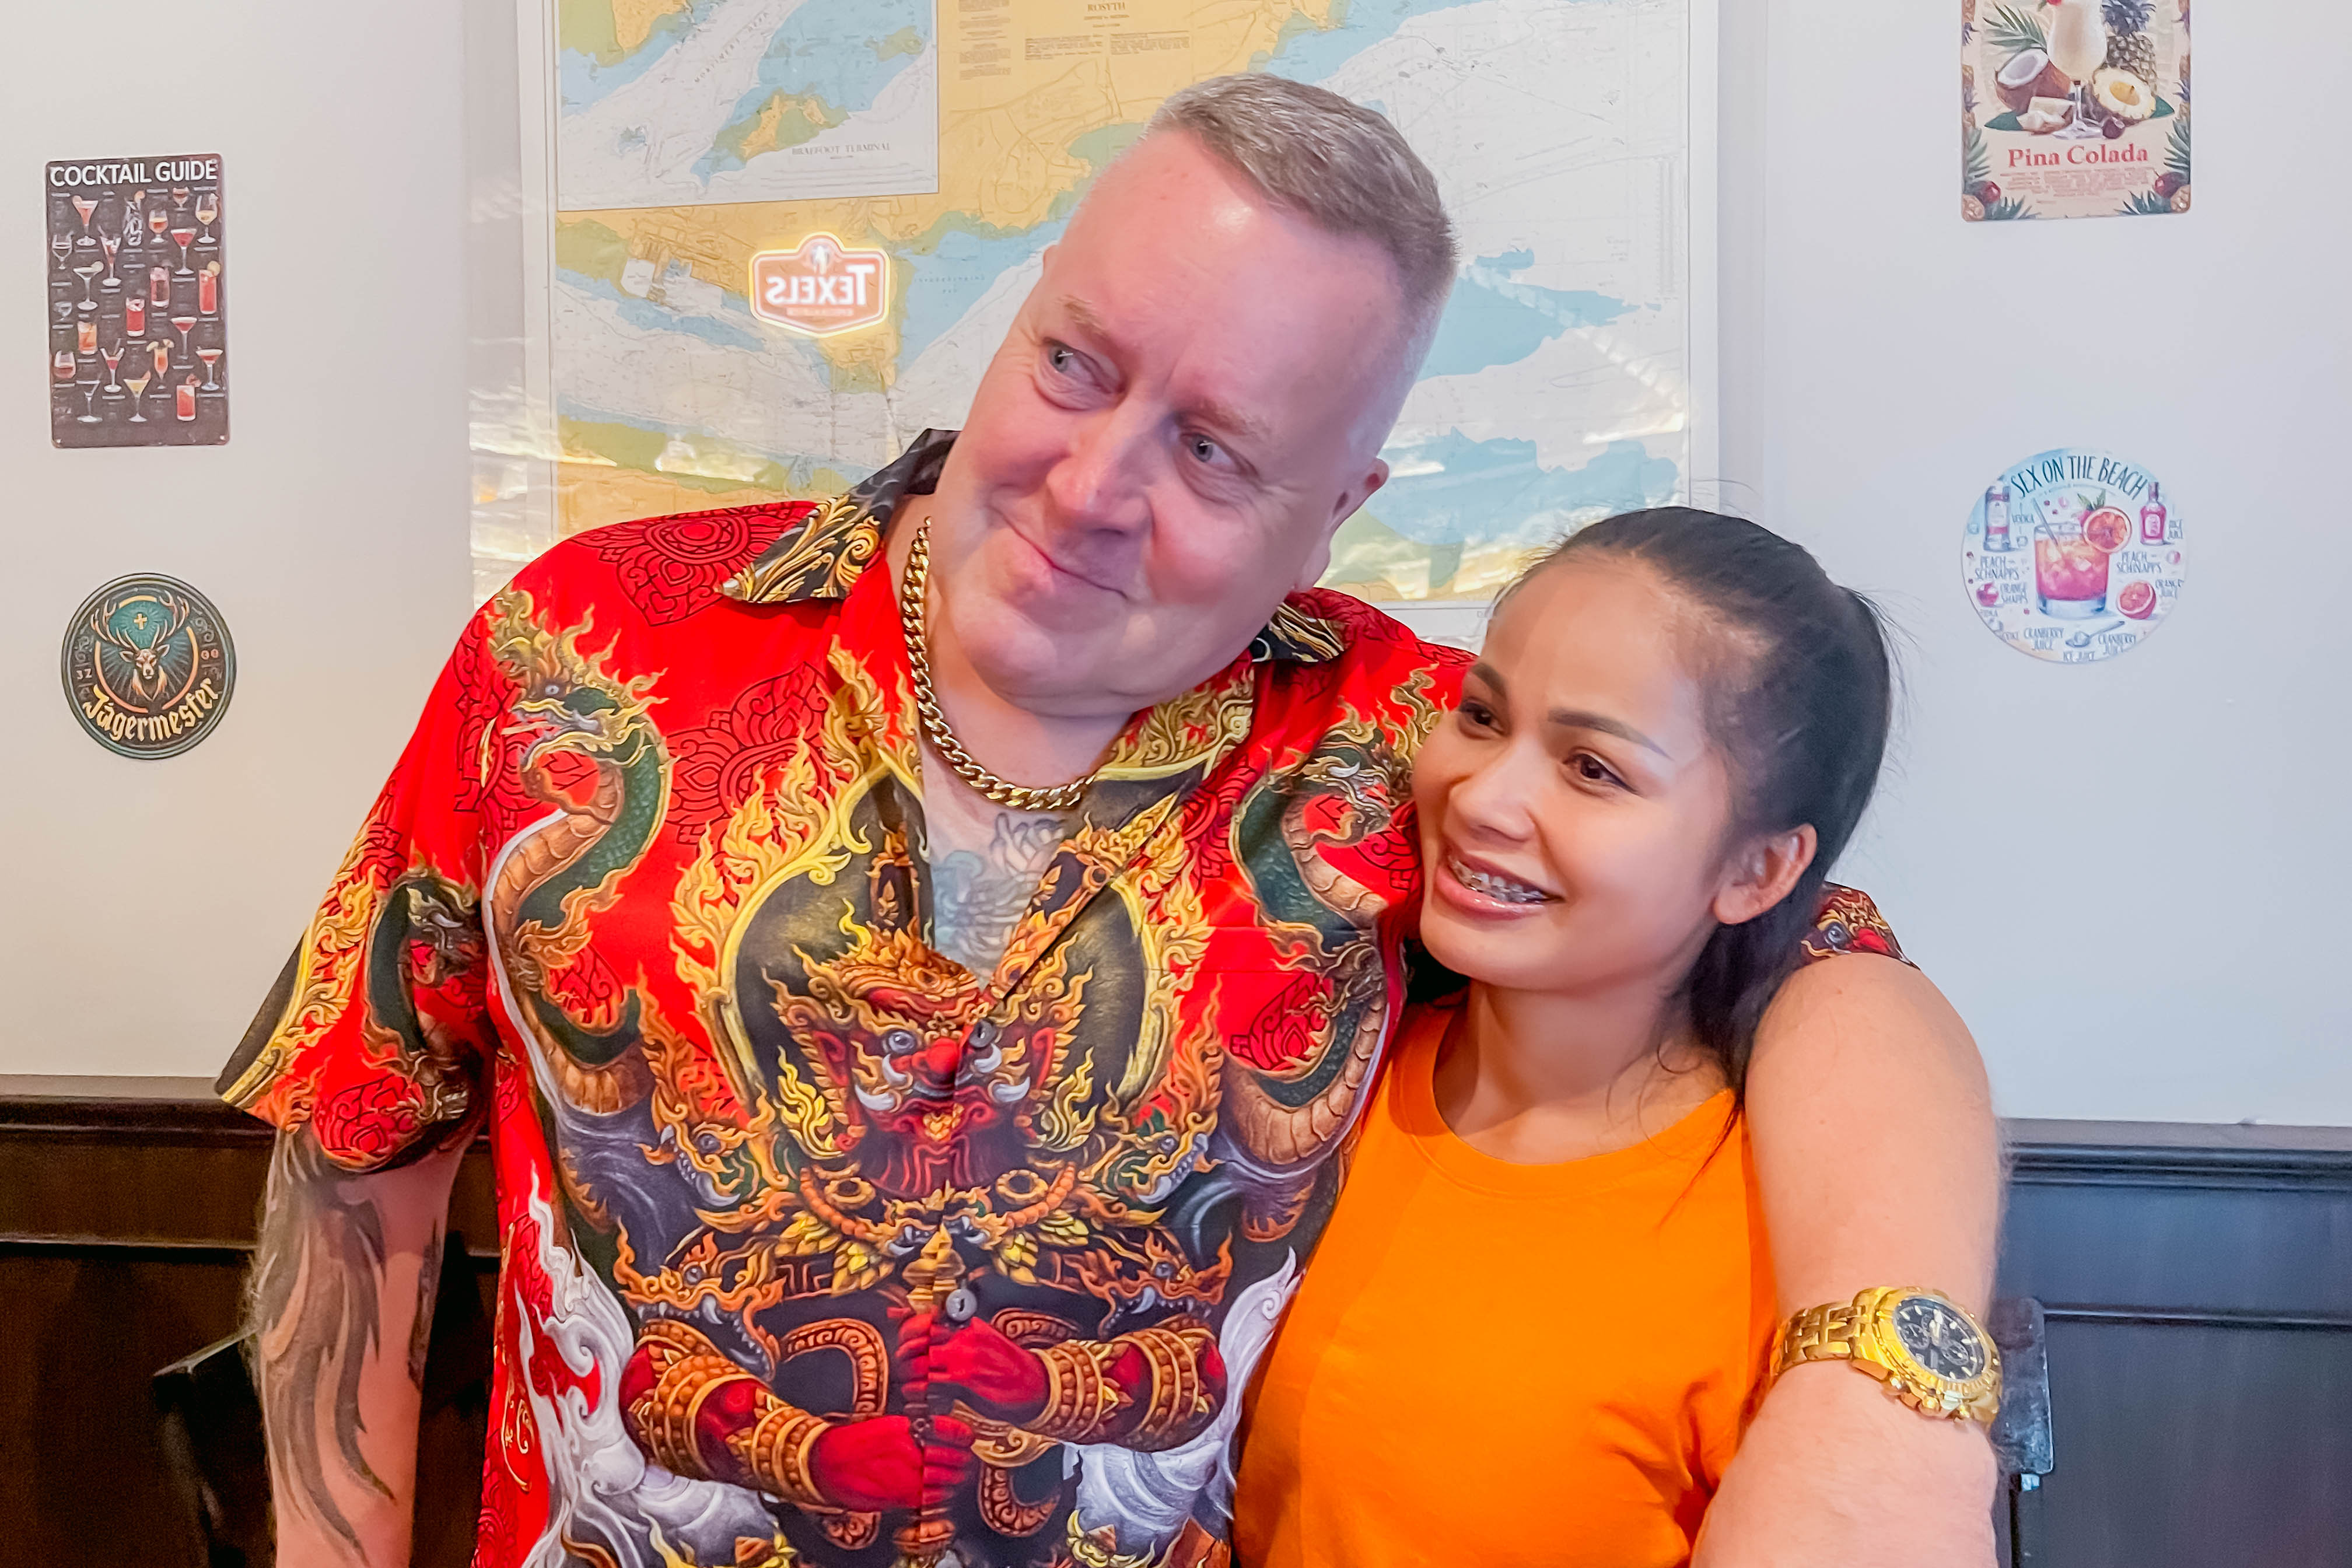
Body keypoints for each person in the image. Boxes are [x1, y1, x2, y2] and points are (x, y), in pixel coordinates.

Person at [218, 76, 1995, 1568]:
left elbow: (1821, 960)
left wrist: (1887, 1398)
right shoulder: (581, 651)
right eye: (1075, 366)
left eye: (1215, 451)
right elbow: (360, 1140)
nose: (1091, 489)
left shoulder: (1414, 747)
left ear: (1339, 508)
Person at [1233, 509, 2000, 1567]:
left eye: (1594, 769)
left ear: (1758, 871)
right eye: (1482, 716)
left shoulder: (1789, 1232)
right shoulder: (1325, 1065)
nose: (1485, 798)